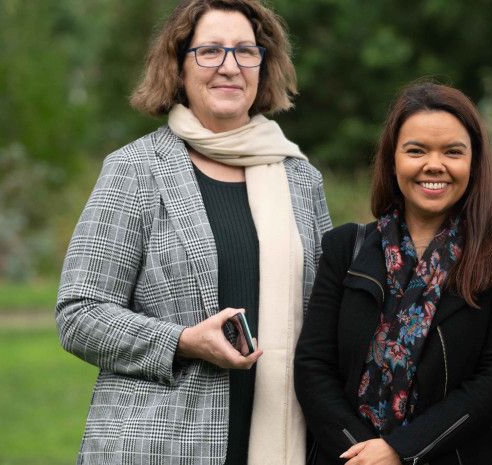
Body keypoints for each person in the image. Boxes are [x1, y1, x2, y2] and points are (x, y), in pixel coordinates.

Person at [55, 1, 330, 464]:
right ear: (179, 67)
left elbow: (324, 317)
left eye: (246, 51)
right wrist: (182, 342)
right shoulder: (136, 170)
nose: (229, 66)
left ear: (264, 67)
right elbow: (79, 314)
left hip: (284, 440)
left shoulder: (302, 180)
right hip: (158, 444)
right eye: (210, 51)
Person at [294, 82, 492, 465]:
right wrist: (362, 454)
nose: (433, 165)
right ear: (393, 159)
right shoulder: (346, 247)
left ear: (473, 162)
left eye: (453, 152)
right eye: (416, 151)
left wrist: (400, 451)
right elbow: (313, 367)